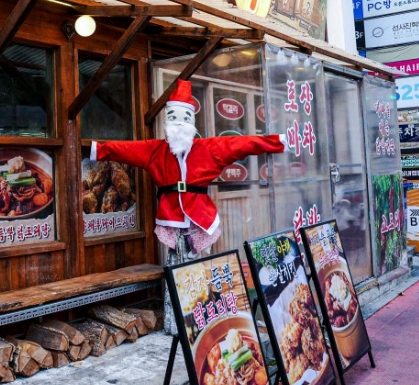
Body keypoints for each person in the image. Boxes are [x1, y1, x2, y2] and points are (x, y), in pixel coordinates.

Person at [90, 79, 287, 258]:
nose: (178, 125)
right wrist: (99, 150)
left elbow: (242, 143)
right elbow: (125, 150)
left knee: (203, 265)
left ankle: (205, 294)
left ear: (191, 122)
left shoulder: (209, 149)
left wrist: (276, 142)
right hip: (171, 216)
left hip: (201, 216)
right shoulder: (155, 151)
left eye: (184, 120)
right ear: (168, 123)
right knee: (176, 264)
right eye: (173, 119)